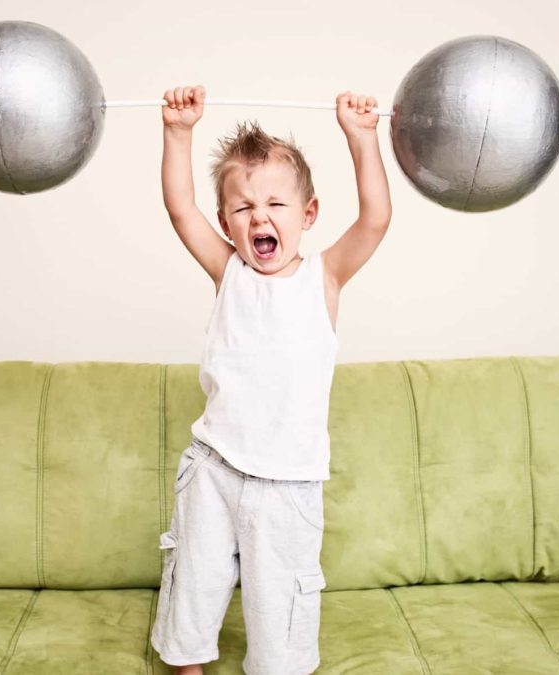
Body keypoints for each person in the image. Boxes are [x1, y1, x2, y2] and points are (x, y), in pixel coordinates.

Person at [149, 84, 391, 675]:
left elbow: (376, 218)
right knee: (194, 589)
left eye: (277, 205)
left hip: (288, 485)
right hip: (214, 468)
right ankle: (186, 664)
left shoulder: (324, 278)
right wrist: (178, 133)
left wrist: (361, 138)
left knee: (279, 612)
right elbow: (181, 208)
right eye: (242, 207)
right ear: (228, 223)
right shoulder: (227, 268)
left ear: (307, 214)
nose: (260, 216)